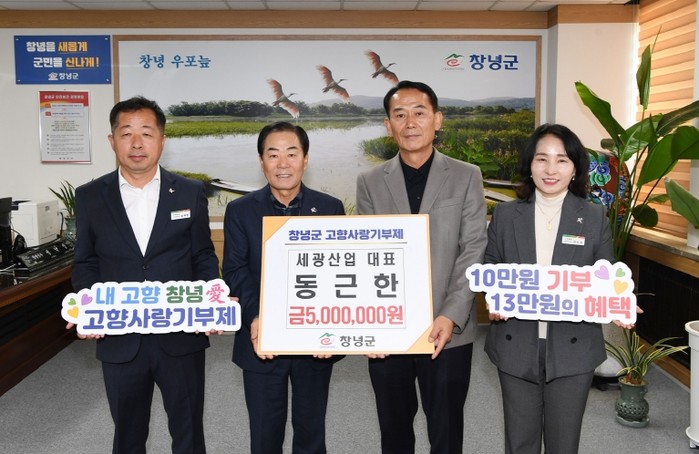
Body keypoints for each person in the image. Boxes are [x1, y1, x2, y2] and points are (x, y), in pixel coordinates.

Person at [70, 96, 219, 454]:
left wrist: (210, 301)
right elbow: (85, 262)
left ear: (162, 141)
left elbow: (202, 255)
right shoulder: (90, 197)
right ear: (112, 141)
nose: (137, 143)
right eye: (127, 133)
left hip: (180, 334)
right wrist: (88, 307)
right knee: (128, 433)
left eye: (146, 133)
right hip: (120, 336)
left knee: (188, 430)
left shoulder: (190, 192)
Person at [356, 80, 488, 453]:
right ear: (388, 125)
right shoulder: (369, 181)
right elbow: (366, 254)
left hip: (448, 329)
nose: (410, 123)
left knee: (446, 431)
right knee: (394, 430)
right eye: (400, 115)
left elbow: (474, 247)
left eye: (419, 113)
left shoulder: (467, 175)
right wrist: (368, 326)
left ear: (437, 119)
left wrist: (451, 313)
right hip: (388, 329)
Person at [483, 123, 615, 453]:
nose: (551, 169)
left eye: (562, 160)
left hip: (573, 347)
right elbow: (491, 266)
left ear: (575, 169)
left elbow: (606, 275)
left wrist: (618, 301)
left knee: (564, 443)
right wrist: (493, 296)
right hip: (516, 343)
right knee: (520, 443)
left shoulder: (594, 217)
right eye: (542, 159)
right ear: (530, 164)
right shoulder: (506, 214)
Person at [223, 121, 345, 454]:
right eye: (273, 154)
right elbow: (234, 269)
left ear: (305, 159)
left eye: (292, 154)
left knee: (311, 431)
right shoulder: (240, 210)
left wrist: (332, 327)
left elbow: (339, 271)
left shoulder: (330, 208)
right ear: (261, 161)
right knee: (264, 434)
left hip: (315, 340)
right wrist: (256, 316)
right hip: (261, 339)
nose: (283, 163)